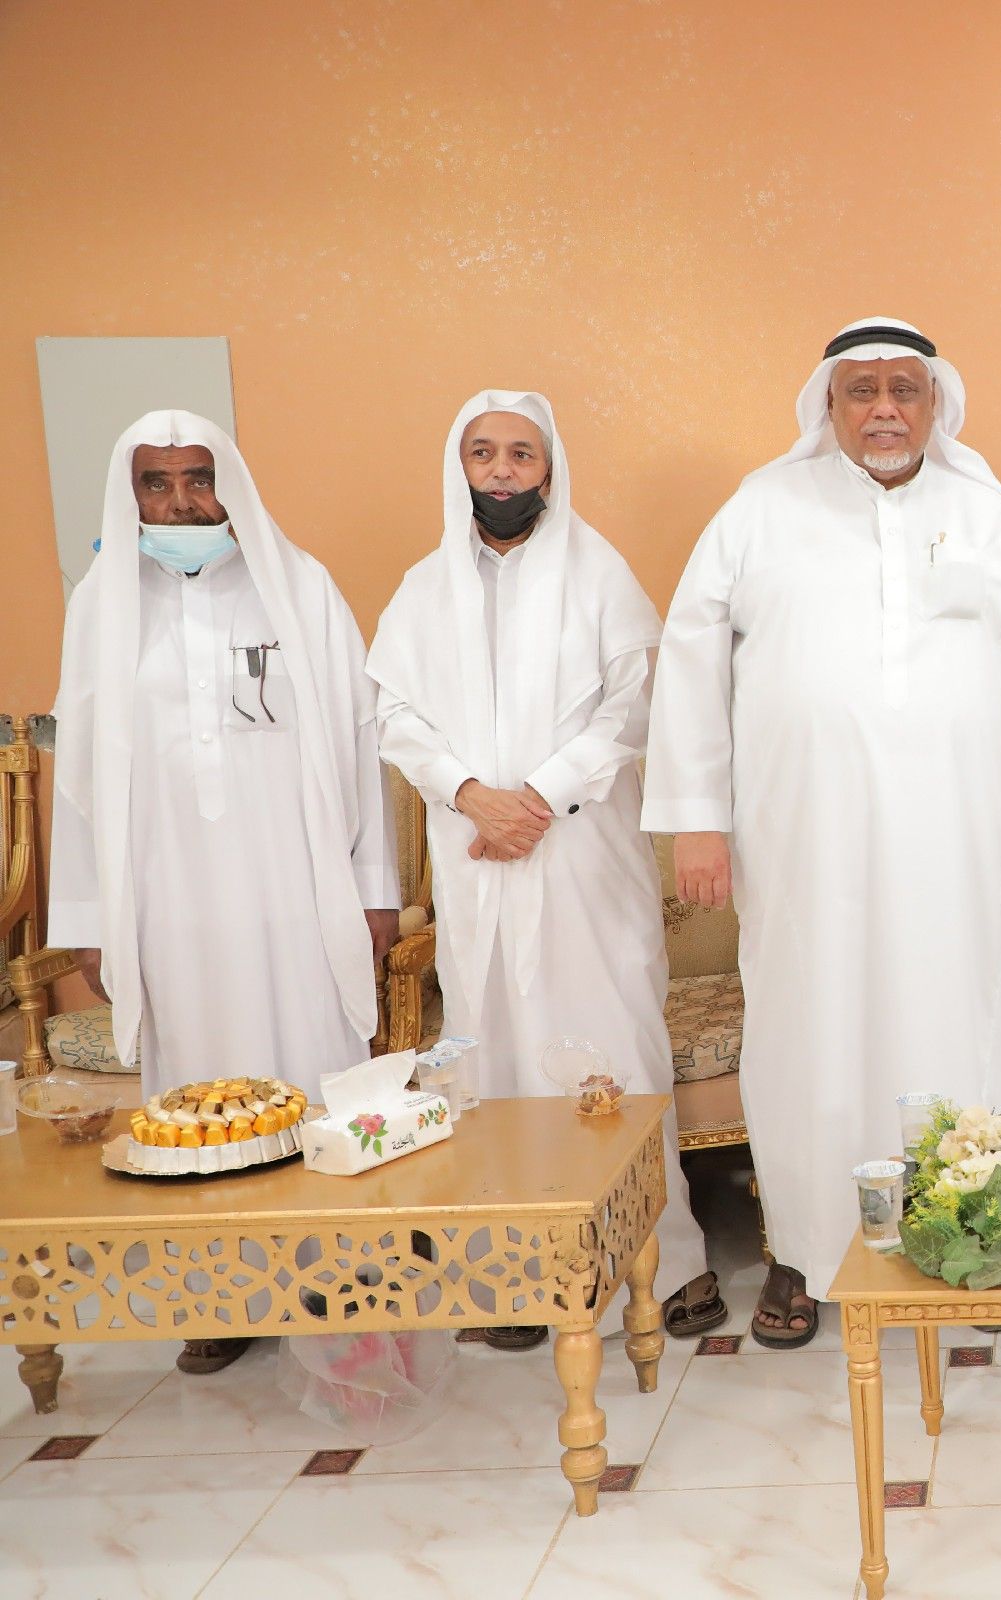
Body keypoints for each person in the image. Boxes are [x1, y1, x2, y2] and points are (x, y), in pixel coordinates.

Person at [644, 319, 1001, 1349]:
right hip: (806, 835)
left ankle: (974, 1228)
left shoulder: (992, 516)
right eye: (861, 390)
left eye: (903, 389)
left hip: (958, 833)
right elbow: (692, 667)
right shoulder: (759, 512)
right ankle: (804, 1248)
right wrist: (698, 821)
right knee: (809, 1023)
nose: (884, 408)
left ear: (936, 403)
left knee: (960, 1014)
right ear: (828, 406)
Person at [49, 411, 399, 1374]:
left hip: (296, 887)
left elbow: (361, 746)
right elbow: (78, 784)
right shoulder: (101, 607)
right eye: (156, 484)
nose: (180, 502)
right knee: (194, 1097)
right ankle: (223, 1291)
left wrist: (375, 888)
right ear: (130, 497)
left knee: (313, 1067)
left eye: (197, 478)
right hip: (170, 902)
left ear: (229, 483)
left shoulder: (302, 588)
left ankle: (339, 1274)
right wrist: (88, 919)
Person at [369, 390, 719, 1349]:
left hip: (582, 857)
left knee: (614, 1043)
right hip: (475, 855)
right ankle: (518, 1270)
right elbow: (395, 716)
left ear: (550, 468)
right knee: (493, 1054)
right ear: (460, 468)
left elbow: (633, 705)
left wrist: (538, 798)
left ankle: (663, 1262)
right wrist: (471, 795)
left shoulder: (599, 573)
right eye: (483, 453)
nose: (502, 472)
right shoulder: (423, 588)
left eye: (521, 454)